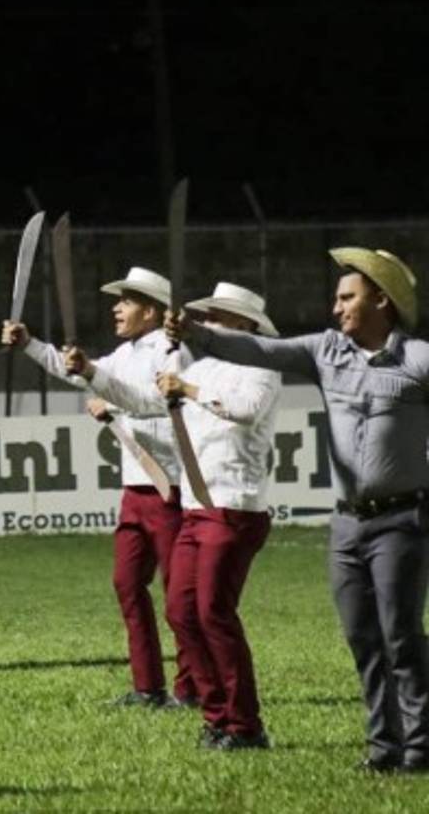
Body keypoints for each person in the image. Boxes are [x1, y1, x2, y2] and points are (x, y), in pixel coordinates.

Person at [167, 247, 429, 771]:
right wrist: (199, 335)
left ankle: (420, 747)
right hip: (347, 524)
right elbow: (260, 350)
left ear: (381, 300)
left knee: (400, 636)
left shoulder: (419, 359)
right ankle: (383, 748)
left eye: (347, 297)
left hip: (403, 521)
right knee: (363, 638)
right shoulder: (324, 352)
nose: (335, 308)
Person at [69, 282, 280, 750]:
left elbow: (245, 410)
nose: (209, 325)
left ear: (246, 326)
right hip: (194, 505)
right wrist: (91, 374)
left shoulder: (261, 368)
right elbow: (145, 401)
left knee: (212, 612)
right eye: (209, 317)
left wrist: (186, 388)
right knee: (181, 611)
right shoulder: (194, 362)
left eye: (220, 318)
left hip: (234, 505)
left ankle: (245, 725)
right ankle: (216, 715)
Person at [2, 266, 196, 708]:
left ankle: (193, 688)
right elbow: (76, 372)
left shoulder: (172, 352)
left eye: (125, 301)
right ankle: (148, 686)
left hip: (169, 486)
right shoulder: (127, 353)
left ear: (150, 310)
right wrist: (31, 344)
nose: (116, 307)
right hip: (136, 488)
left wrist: (94, 375)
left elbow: (147, 403)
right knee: (127, 585)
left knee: (178, 598)